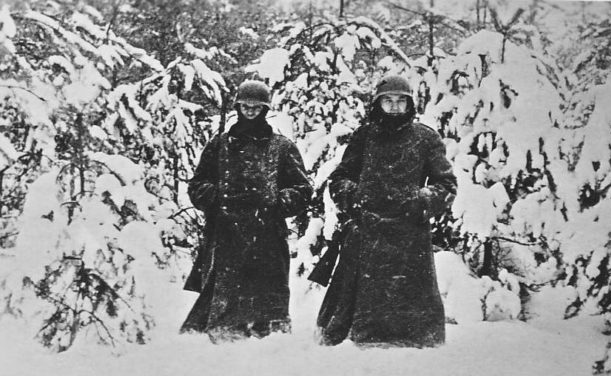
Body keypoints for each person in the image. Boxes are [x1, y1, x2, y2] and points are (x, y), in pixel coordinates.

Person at [316, 74, 457, 347]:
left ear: (410, 105)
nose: (394, 107)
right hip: (368, 232)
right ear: (377, 104)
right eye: (388, 101)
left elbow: (446, 184)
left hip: (409, 236)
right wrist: (353, 197)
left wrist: (421, 201)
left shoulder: (425, 139)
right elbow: (341, 177)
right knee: (356, 312)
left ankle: (410, 340)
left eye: (400, 101)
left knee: (411, 313)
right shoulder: (364, 136)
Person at [181, 80, 312, 341]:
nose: (250, 112)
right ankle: (220, 340)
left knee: (269, 301)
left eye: (257, 107)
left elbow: (302, 189)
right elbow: (197, 185)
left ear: (265, 110)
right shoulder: (219, 146)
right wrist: (217, 196)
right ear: (237, 107)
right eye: (245, 107)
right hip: (226, 233)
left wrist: (277, 201)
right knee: (222, 300)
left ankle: (269, 342)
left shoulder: (282, 147)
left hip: (267, 235)